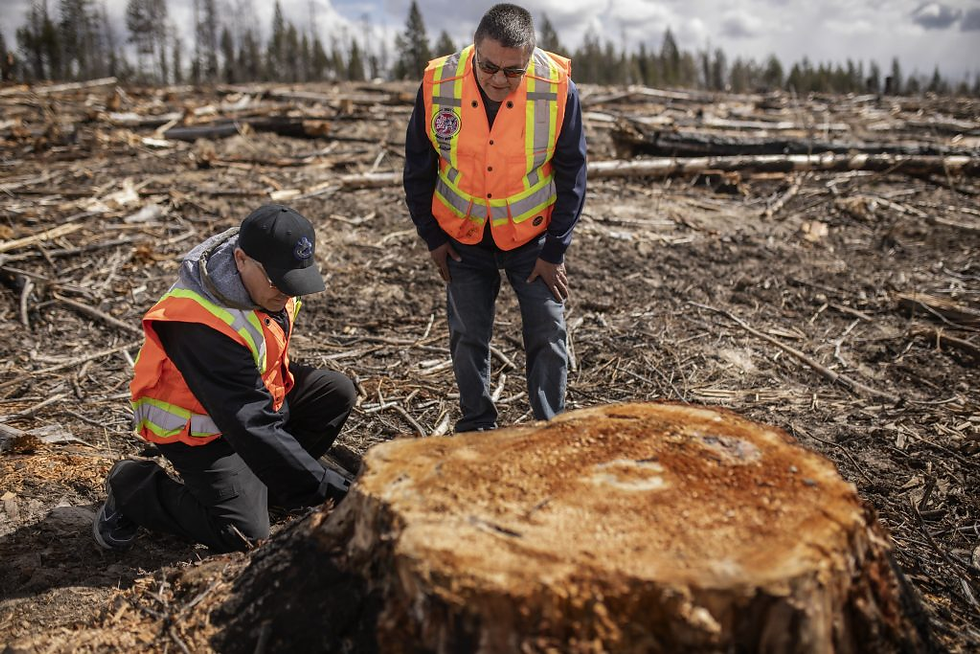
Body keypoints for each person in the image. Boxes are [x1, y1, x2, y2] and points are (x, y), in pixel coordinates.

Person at [92, 205, 356, 553]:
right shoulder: (199, 324)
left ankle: (272, 487)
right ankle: (132, 487)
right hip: (198, 431)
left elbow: (255, 394)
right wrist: (333, 494)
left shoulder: (270, 284)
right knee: (243, 533)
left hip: (250, 399)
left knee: (335, 393)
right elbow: (249, 422)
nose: (287, 294)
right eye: (279, 281)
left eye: (295, 282)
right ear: (241, 258)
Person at [403, 3, 587, 432]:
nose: (499, 79)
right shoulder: (438, 83)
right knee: (468, 336)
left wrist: (555, 250)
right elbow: (417, 168)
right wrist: (432, 237)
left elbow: (573, 174)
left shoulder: (557, 87)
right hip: (461, 235)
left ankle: (548, 429)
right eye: (489, 67)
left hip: (532, 238)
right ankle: (477, 424)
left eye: (513, 71)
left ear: (529, 59)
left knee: (548, 330)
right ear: (473, 49)